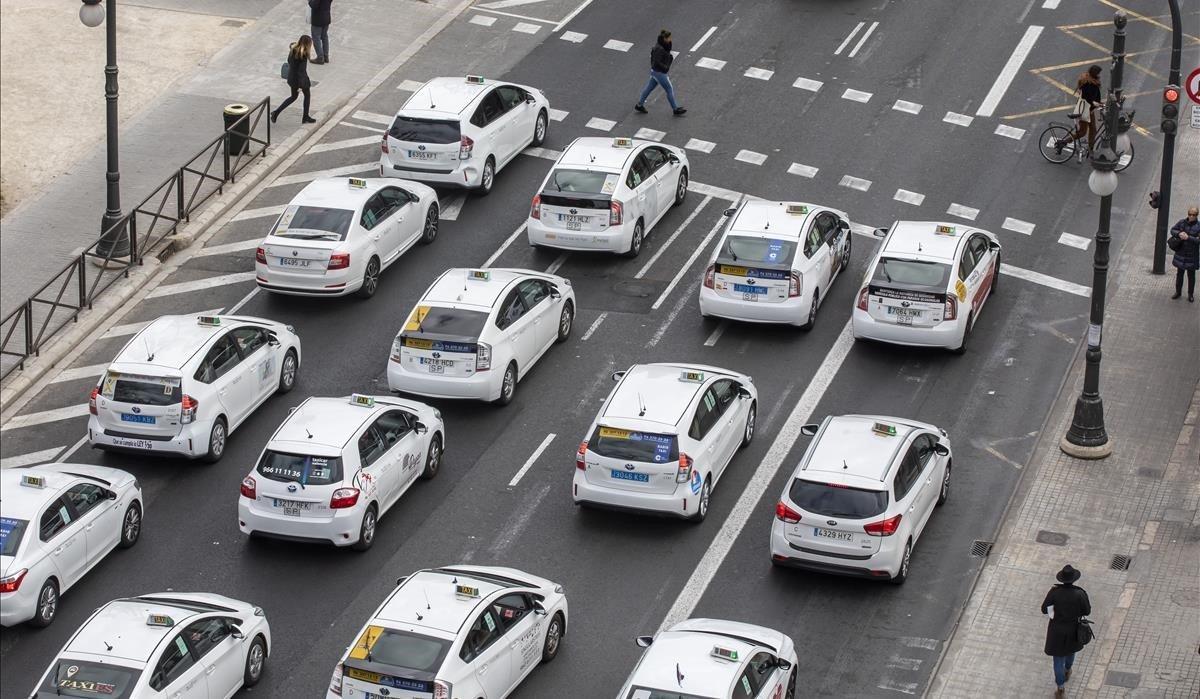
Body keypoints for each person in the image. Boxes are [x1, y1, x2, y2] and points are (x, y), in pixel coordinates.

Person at [1041, 565, 1091, 698]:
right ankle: (1068, 670)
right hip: (1073, 629)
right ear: (1074, 579)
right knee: (1070, 651)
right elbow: (1087, 611)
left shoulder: (1054, 592)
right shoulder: (1080, 593)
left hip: (1056, 630)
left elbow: (1044, 609)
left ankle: (1060, 688)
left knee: (1058, 660)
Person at [634, 30, 686, 116]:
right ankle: (675, 109)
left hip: (655, 72)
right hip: (659, 72)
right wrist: (666, 66)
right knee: (669, 88)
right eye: (669, 38)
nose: (670, 39)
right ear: (664, 38)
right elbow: (656, 62)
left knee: (649, 88)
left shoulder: (662, 45)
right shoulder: (659, 49)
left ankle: (639, 105)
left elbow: (665, 52)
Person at [271, 36, 317, 124]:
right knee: (307, 96)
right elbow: (301, 71)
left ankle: (276, 112)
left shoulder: (293, 50)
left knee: (293, 97)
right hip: (300, 80)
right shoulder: (303, 55)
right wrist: (301, 85)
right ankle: (305, 117)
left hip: (292, 78)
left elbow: (289, 61)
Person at [1057, 65, 1102, 154]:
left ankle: (1090, 149)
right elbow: (1086, 97)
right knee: (1082, 132)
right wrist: (1094, 103)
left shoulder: (1091, 80)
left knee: (1093, 129)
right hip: (1085, 110)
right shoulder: (1088, 83)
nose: (1099, 74)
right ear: (1095, 73)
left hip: (1089, 110)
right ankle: (1063, 142)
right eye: (1098, 73)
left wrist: (1098, 103)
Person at [1168, 206, 1200, 302]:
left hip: (1192, 255)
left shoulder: (1198, 226)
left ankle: (1190, 294)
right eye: (1190, 214)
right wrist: (1179, 234)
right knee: (1179, 274)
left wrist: (1188, 238)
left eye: (1193, 215)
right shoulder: (1182, 222)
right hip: (1181, 253)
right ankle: (1178, 292)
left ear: (1196, 215)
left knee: (1191, 276)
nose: (1191, 216)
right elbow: (1173, 230)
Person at [309, 0, 332, 64]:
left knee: (316, 38)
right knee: (324, 36)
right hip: (326, 16)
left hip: (318, 18)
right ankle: (325, 56)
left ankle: (320, 57)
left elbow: (314, 5)